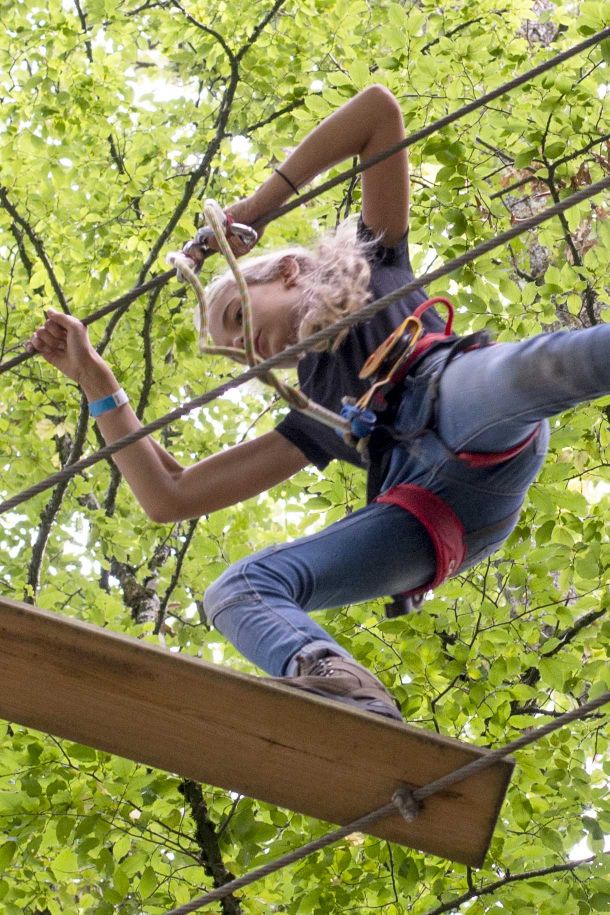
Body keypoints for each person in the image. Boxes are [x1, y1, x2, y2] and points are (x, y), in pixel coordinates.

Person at [29, 86, 610, 724]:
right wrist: (94, 379)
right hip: (430, 518)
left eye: (235, 316)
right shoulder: (312, 416)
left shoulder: (377, 260)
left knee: (544, 367)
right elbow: (169, 495)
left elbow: (378, 113)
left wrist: (257, 209)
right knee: (236, 590)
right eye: (239, 353)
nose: (248, 349)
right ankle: (341, 688)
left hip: (462, 403)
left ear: (284, 274)